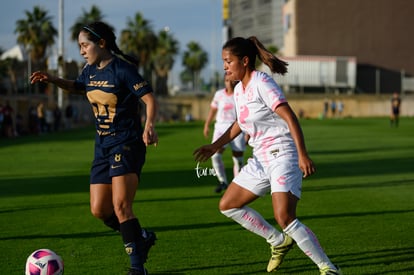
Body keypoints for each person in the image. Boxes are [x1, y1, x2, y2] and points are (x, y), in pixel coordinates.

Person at [194, 36, 342, 274]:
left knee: (284, 216)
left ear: (244, 61)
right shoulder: (240, 89)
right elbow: (239, 124)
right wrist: (214, 146)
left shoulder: (262, 82)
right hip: (260, 158)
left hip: (283, 154)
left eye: (228, 61)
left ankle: (328, 268)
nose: (224, 66)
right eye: (223, 61)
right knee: (228, 205)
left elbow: (290, 117)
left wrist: (303, 155)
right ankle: (278, 241)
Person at [30, 21, 158, 275]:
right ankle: (140, 236)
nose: (81, 51)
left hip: (126, 143)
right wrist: (53, 79)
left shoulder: (123, 70)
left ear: (102, 43)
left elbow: (149, 99)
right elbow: (78, 88)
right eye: (79, 46)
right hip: (102, 147)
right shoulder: (89, 71)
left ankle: (137, 267)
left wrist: (149, 125)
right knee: (100, 209)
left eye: (84, 45)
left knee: (121, 206)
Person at [203, 76, 246, 193]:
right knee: (215, 155)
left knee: (238, 159)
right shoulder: (219, 94)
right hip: (220, 129)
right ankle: (222, 181)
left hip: (236, 129)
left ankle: (237, 185)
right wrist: (207, 125)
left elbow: (245, 113)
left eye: (232, 80)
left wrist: (247, 132)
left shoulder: (240, 94)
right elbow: (213, 110)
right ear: (224, 82)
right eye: (227, 80)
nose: (229, 83)